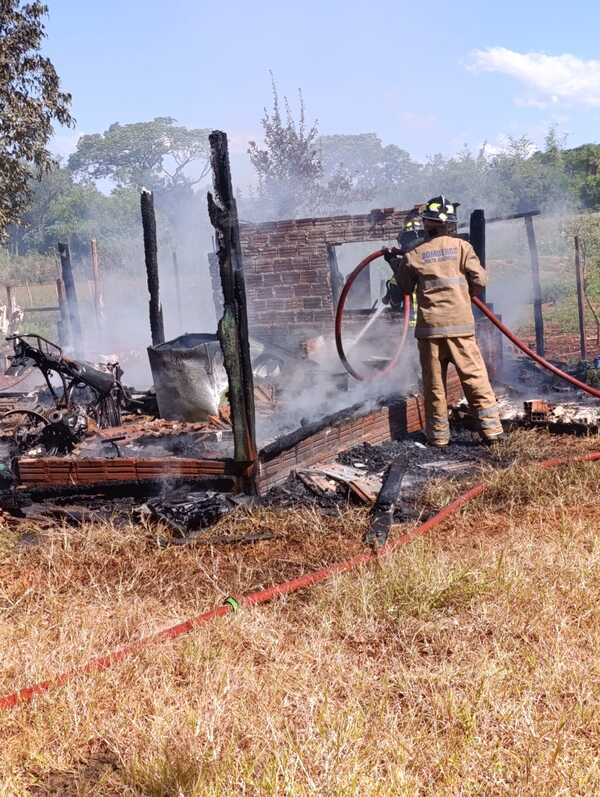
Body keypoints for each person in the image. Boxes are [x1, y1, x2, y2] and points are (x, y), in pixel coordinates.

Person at [389, 195, 503, 447]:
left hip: (430, 332)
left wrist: (395, 263)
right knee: (475, 378)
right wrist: (465, 295)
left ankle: (439, 436)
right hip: (461, 328)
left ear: (427, 223)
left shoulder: (416, 253)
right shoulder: (462, 247)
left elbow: (404, 287)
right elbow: (480, 280)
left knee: (434, 385)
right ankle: (492, 431)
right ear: (449, 223)